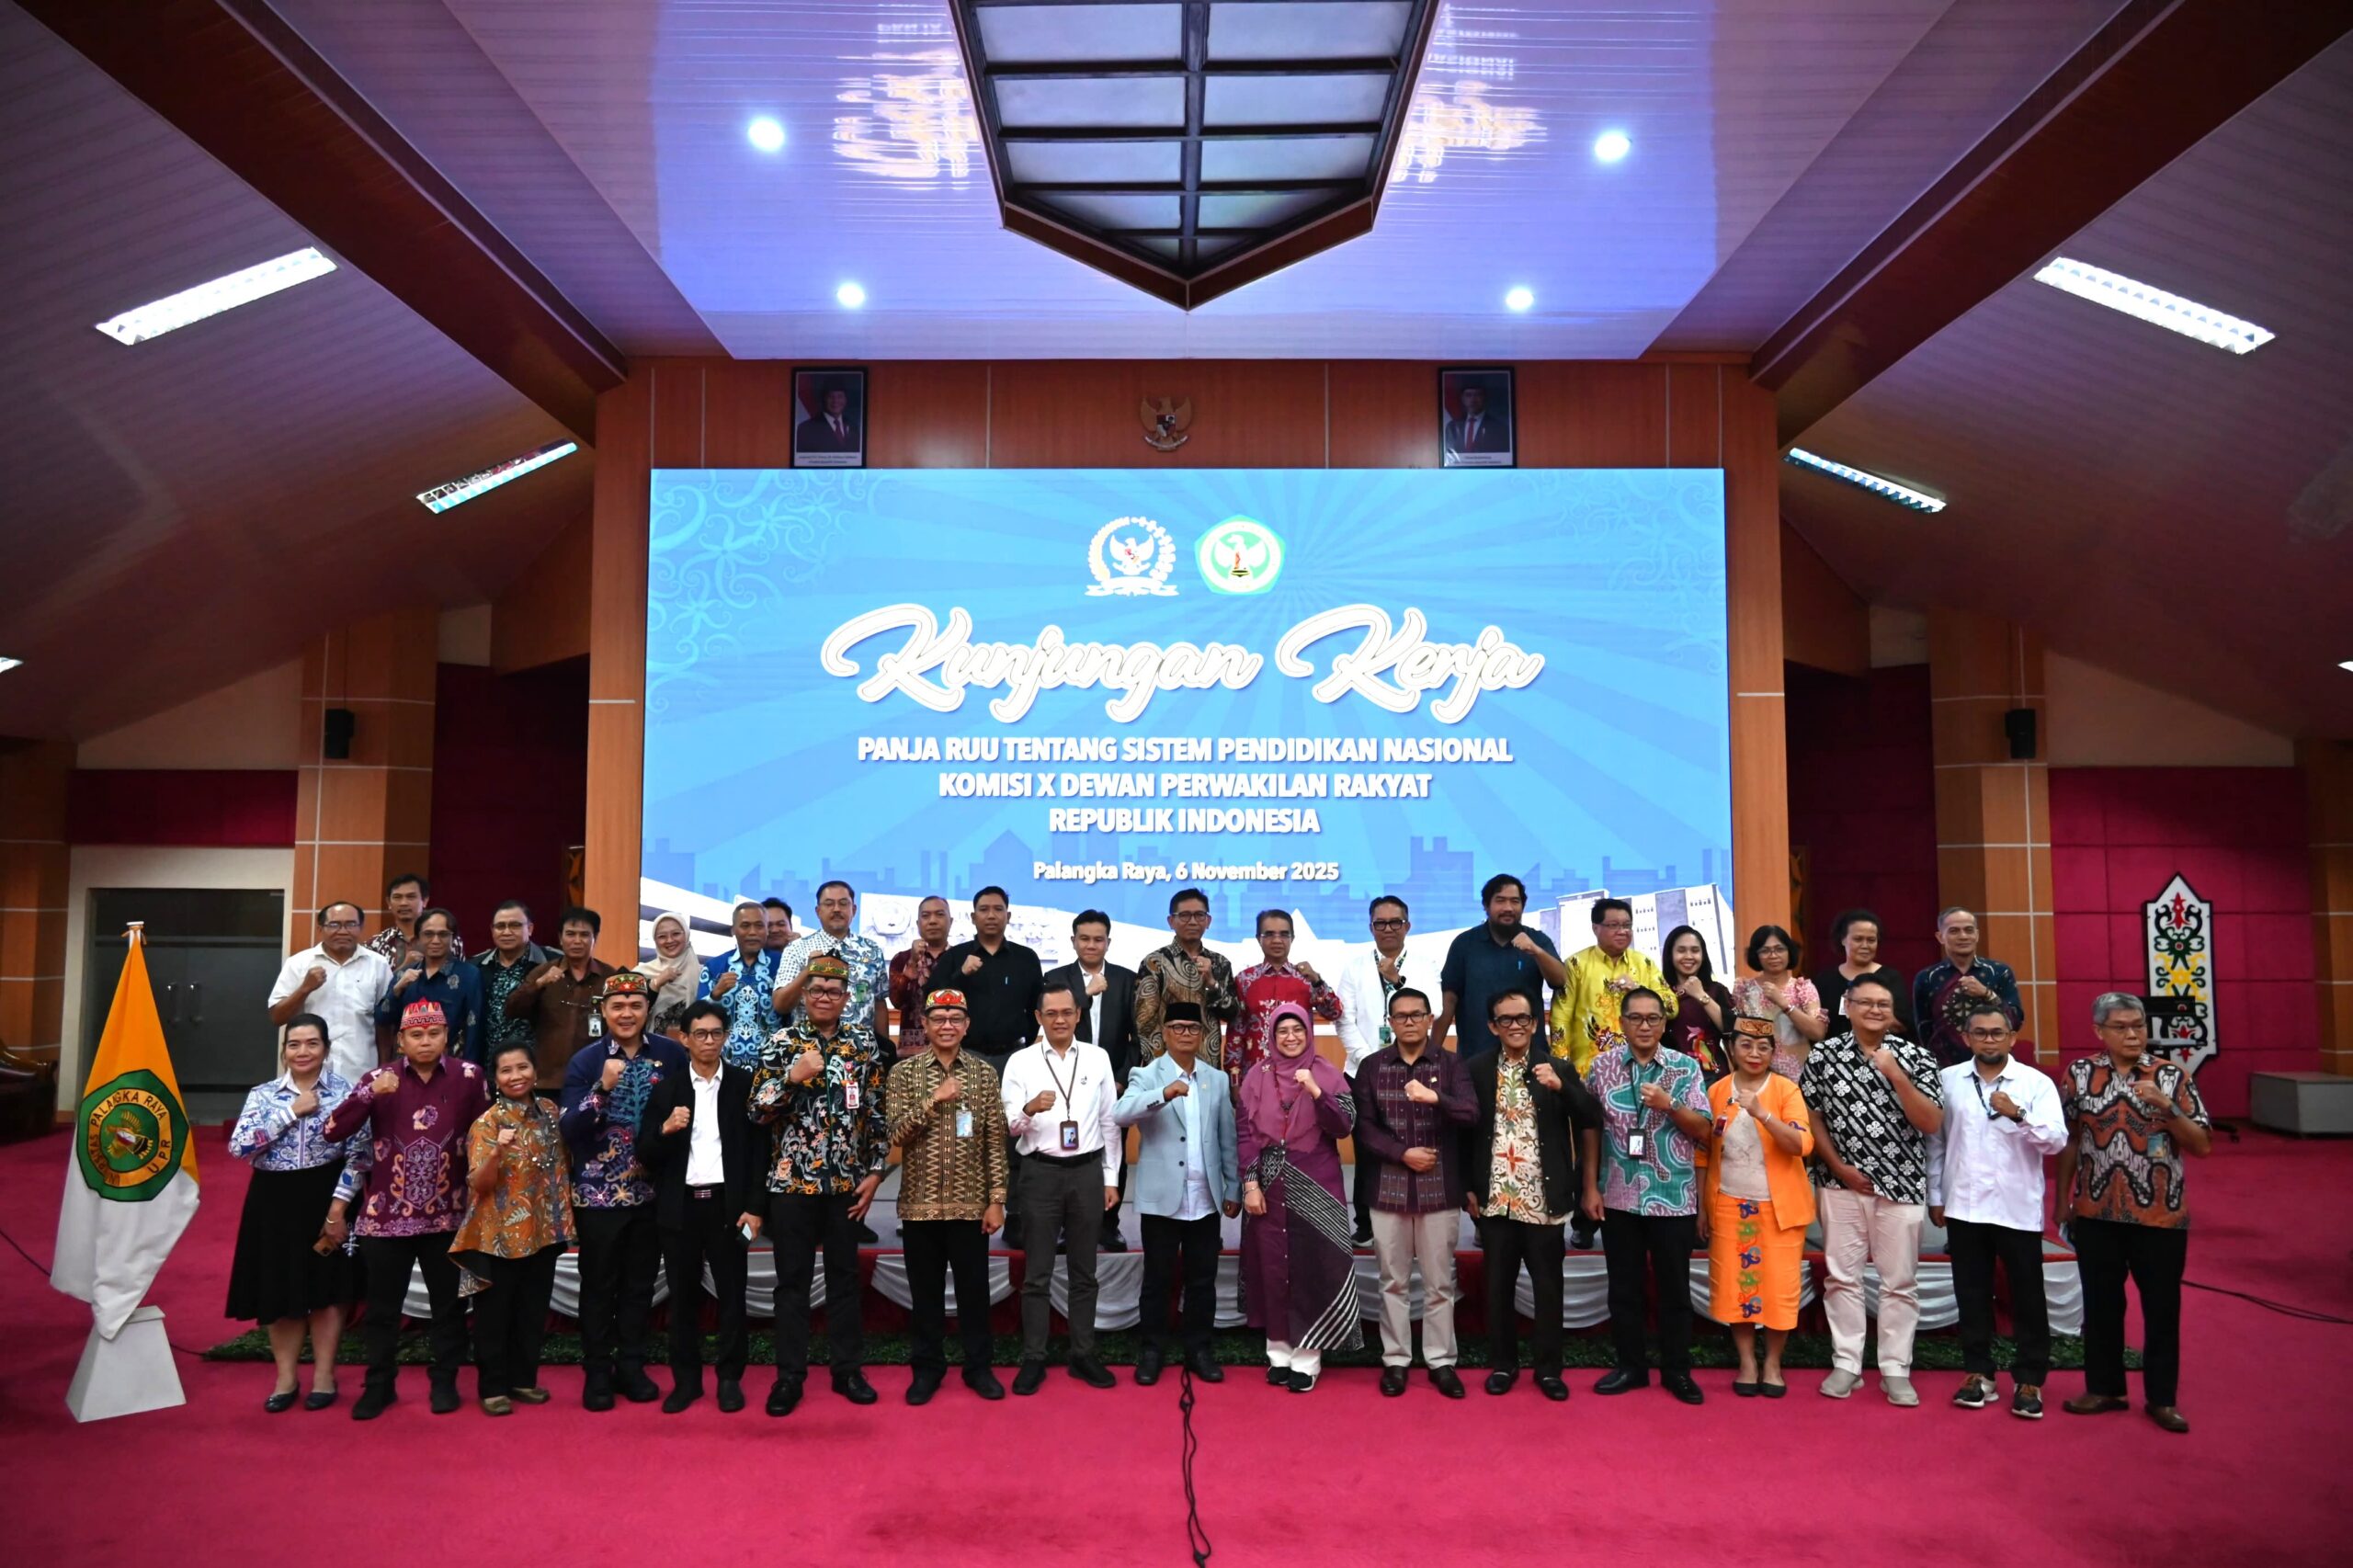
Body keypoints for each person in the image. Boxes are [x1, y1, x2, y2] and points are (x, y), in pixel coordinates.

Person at [323, 998, 490, 1420]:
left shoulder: (470, 1077)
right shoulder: (378, 1079)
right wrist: (365, 1095)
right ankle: (379, 1385)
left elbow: (483, 1135)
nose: (426, 1042)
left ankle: (445, 1381)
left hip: (448, 1213)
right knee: (382, 1308)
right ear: (400, 1039)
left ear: (447, 1037)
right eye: (416, 1034)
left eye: (434, 1033)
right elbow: (332, 1132)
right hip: (385, 1216)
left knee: (448, 1306)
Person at [2053, 992, 2211, 1434]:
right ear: (2099, 1032)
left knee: (2162, 1308)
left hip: (2160, 1217)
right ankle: (2105, 1388)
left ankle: (2162, 1398)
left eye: (2138, 1026)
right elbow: (2070, 1139)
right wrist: (2061, 1200)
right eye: (2121, 1027)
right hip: (2096, 1211)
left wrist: (2169, 1108)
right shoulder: (2080, 1074)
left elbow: (2201, 1144)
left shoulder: (2171, 1076)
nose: (2132, 1034)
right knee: (2101, 1306)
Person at [750, 955, 889, 1415]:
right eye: (816, 990)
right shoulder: (782, 1042)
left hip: (846, 1185)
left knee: (845, 1281)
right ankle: (789, 1376)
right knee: (792, 1283)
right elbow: (756, 1110)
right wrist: (792, 1078)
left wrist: (875, 1173)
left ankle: (847, 1370)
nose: (824, 997)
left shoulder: (863, 1045)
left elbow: (874, 1113)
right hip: (792, 1186)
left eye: (834, 991)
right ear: (804, 996)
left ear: (847, 999)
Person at [1799, 974, 1944, 1405]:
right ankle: (1846, 1364)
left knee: (1899, 1281)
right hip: (1840, 1183)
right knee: (1842, 1277)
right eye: (1866, 1002)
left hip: (1901, 1182)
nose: (1876, 1010)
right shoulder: (1824, 1055)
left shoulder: (1915, 1057)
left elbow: (1931, 1123)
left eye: (1884, 1003)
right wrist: (1838, 1166)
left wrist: (1896, 1075)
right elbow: (1812, 1115)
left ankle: (1896, 1368)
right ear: (1848, 1005)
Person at [1927, 1001, 2067, 1419]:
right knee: (1970, 1294)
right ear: (1966, 1038)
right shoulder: (1948, 1080)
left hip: (2015, 1207)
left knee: (2027, 1295)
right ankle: (1978, 1373)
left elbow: (2056, 1142)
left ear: (2012, 1038)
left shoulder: (2034, 1084)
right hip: (1964, 1205)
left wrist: (2019, 1114)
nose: (1990, 1039)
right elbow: (1936, 1141)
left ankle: (2029, 1379)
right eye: (1981, 1033)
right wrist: (1937, 1195)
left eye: (1998, 1033)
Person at [559, 969, 688, 1410]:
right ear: (604, 1012)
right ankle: (597, 1371)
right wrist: (602, 1088)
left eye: (635, 1005)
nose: (627, 1013)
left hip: (652, 1193)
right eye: (618, 1006)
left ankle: (631, 1366)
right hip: (597, 1196)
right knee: (598, 1285)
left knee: (638, 1286)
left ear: (648, 1009)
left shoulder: (671, 1055)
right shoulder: (586, 1061)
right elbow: (571, 1128)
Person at [1461, 991, 1598, 1400]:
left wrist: (1563, 1088)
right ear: (1492, 1027)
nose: (1516, 1026)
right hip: (1495, 1198)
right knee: (1497, 1287)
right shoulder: (1476, 1069)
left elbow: (1591, 1117)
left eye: (1523, 1018)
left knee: (1548, 1287)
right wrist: (1468, 1186)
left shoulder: (1556, 1067)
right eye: (1506, 1020)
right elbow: (1464, 1133)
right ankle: (1502, 1365)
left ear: (1536, 1023)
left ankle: (1549, 1370)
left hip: (1544, 1198)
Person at [225, 1014, 363, 1412]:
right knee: (278, 1285)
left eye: (312, 1044)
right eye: (294, 1044)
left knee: (328, 1286)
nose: (303, 1052)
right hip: (273, 1198)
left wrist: (339, 1208)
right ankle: (285, 1377)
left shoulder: (345, 1093)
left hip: (328, 1193)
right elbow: (240, 1148)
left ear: (326, 1049)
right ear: (284, 1051)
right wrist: (291, 1113)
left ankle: (324, 1374)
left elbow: (360, 1154)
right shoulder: (264, 1094)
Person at [634, 998, 763, 1415]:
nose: (709, 1041)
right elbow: (646, 1154)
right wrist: (666, 1129)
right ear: (684, 1039)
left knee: (732, 1297)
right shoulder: (668, 1088)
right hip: (681, 1208)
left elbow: (762, 1151)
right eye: (700, 1034)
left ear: (726, 1036)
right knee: (683, 1298)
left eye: (716, 1033)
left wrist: (756, 1208)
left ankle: (729, 1380)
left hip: (731, 1209)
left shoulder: (744, 1084)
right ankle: (686, 1382)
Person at [1585, 987, 1711, 1403]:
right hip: (1619, 1195)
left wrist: (1669, 1104)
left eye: (1652, 1018)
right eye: (1635, 1018)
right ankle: (1631, 1367)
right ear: (1621, 1023)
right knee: (1624, 1288)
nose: (1644, 1025)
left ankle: (1677, 1371)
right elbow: (1590, 1131)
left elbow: (1705, 1130)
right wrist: (1589, 1186)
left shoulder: (1685, 1067)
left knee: (1675, 1289)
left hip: (1672, 1196)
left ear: (1663, 1023)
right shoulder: (1601, 1068)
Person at [887, 987, 1010, 1404]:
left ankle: (979, 1368)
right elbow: (896, 1134)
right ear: (924, 1025)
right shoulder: (904, 1074)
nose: (947, 1026)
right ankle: (927, 1369)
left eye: (955, 1018)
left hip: (971, 1205)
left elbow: (995, 1141)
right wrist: (932, 1101)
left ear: (967, 1025)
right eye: (938, 1018)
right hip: (919, 1206)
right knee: (925, 1294)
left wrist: (997, 1198)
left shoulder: (983, 1074)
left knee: (975, 1292)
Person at [1351, 986, 1475, 1398]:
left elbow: (1471, 1113)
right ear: (1390, 1022)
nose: (1408, 1021)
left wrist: (1436, 1097)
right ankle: (1397, 1360)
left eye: (1416, 1015)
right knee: (1393, 1281)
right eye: (1400, 1015)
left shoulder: (1452, 1065)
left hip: (1440, 1189)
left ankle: (1440, 1361)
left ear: (1430, 1019)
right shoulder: (1371, 1067)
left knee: (1440, 1282)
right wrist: (1402, 1154)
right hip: (1387, 1189)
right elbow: (1363, 1128)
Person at [1001, 979, 1121, 1392]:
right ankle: (1034, 1356)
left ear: (1079, 1014)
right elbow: (1009, 1124)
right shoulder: (1021, 1063)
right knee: (1037, 1272)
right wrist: (1029, 1109)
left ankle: (1082, 1353)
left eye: (1067, 1012)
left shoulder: (1098, 1057)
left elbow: (1109, 1121)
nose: (1059, 1020)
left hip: (1087, 1172)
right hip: (1040, 1172)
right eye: (1050, 1013)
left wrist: (1111, 1177)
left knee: (1084, 1271)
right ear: (1038, 1017)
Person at [1236, 1004, 1363, 1392]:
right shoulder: (1256, 1076)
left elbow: (1343, 1127)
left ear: (1309, 1032)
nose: (1290, 1037)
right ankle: (1278, 1352)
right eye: (1282, 1031)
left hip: (1317, 1180)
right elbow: (1245, 1133)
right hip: (1268, 1181)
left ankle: (1308, 1357)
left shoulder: (1327, 1073)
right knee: (1272, 1267)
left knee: (1313, 1266)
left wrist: (1316, 1091)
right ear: (1271, 1037)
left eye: (1297, 1030)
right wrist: (1250, 1184)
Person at [1114, 1001, 1239, 1386]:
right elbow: (1121, 1113)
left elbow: (1227, 1138)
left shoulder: (1216, 1079)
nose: (1186, 1034)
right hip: (1162, 1199)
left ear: (1202, 1035)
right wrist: (1163, 1094)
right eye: (1179, 1027)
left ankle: (1199, 1349)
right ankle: (1152, 1350)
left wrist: (1232, 1184)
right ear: (1165, 1034)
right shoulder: (1147, 1074)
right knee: (1157, 1278)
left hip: (1205, 1198)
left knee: (1203, 1279)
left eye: (1193, 1028)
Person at [449, 1041, 574, 1415]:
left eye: (522, 1068)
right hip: (498, 1236)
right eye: (506, 1070)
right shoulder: (487, 1124)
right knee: (494, 1315)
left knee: (532, 1310)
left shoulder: (550, 1112)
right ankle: (492, 1387)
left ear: (535, 1072)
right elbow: (479, 1184)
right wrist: (496, 1153)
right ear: (496, 1079)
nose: (516, 1076)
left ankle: (523, 1379)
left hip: (544, 1230)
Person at [1695, 1018, 1813, 1398]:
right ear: (1732, 1049)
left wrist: (1762, 1113)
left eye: (1763, 1047)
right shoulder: (1715, 1091)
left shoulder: (1785, 1090)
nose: (1755, 1054)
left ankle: (1773, 1363)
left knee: (1779, 1288)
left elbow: (1801, 1145)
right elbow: (1703, 1153)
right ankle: (1747, 1361)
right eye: (1746, 1045)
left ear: (1773, 1052)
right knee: (1735, 1287)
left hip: (1778, 1206)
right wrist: (1702, 1208)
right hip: (1729, 1202)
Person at [933, 886, 1045, 1244]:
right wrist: (960, 977)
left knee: (1015, 1134)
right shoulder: (955, 957)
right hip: (969, 1060)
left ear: (1009, 916)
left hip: (1014, 1059)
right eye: (984, 909)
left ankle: (1015, 1215)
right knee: (966, 1133)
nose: (992, 915)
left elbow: (1035, 1011)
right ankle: (968, 1211)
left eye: (999, 909)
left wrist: (1027, 1051)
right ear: (973, 916)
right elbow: (932, 1002)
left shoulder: (1026, 958)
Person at [1044, 909, 1139, 1250]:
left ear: (1108, 942)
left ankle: (1108, 1226)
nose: (1091, 945)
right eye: (1084, 938)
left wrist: (1121, 1078)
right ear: (1073, 941)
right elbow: (1053, 1025)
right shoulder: (1057, 979)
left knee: (1114, 1153)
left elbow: (1138, 1037)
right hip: (1068, 1085)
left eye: (1098, 939)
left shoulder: (1127, 980)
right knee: (1071, 1155)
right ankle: (1069, 1228)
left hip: (1113, 1085)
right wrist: (1087, 993)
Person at [1334, 895, 1414, 1244]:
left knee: (1409, 1144)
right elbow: (1343, 1019)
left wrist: (1398, 980)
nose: (1388, 929)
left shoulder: (1425, 964)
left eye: (1395, 922)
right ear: (1370, 928)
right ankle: (1364, 1223)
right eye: (1380, 923)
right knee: (1366, 1149)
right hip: (1361, 1071)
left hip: (1413, 1072)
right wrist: (1371, 1062)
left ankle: (1410, 1218)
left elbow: (1432, 1010)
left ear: (1407, 926)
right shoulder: (1353, 966)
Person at [1437, 874, 1563, 1063]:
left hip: (1531, 1059)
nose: (1508, 908)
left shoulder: (1537, 940)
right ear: (1486, 906)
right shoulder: (1464, 944)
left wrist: (1536, 951)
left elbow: (1560, 980)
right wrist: (1433, 1053)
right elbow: (1448, 1001)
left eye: (1515, 901)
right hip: (1475, 1058)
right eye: (1500, 901)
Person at [1550, 897, 1677, 1075]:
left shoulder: (1644, 963)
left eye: (1627, 925)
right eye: (1613, 925)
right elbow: (1560, 1018)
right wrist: (1561, 1069)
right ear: (1595, 928)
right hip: (1589, 1072)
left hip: (1641, 1071)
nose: (1622, 931)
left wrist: (1639, 991)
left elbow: (1672, 1007)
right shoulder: (1576, 964)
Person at [267, 902, 392, 1085]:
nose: (343, 931)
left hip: (361, 1072)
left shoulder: (378, 964)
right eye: (334, 924)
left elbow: (385, 1023)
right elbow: (277, 1017)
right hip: (309, 1075)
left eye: (351, 924)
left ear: (361, 927)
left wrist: (384, 1067)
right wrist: (304, 989)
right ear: (320, 928)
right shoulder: (298, 963)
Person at [1231, 909, 1343, 1094]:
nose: (1277, 940)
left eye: (1284, 934)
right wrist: (1234, 1082)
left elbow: (1334, 1012)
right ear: (1258, 938)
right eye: (1269, 934)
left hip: (1300, 1077)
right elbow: (1236, 1034)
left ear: (1293, 938)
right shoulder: (1245, 980)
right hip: (1256, 1077)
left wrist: (1317, 981)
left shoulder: (1306, 979)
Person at [1134, 886, 1245, 1070]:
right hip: (1165, 1068)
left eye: (1199, 915)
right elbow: (1144, 1022)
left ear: (1208, 921)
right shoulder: (1155, 962)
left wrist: (1212, 984)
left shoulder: (1220, 963)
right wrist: (1161, 1066)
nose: (1193, 921)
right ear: (1171, 921)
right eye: (1185, 915)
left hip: (1208, 1066)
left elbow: (1233, 1013)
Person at [507, 905, 612, 1089]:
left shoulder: (609, 977)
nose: (577, 941)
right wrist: (539, 984)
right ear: (560, 938)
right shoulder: (542, 972)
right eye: (570, 934)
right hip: (547, 1080)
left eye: (584, 935)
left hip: (593, 1080)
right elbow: (511, 1009)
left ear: (595, 938)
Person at [774, 880, 888, 1039]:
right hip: (808, 1050)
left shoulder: (872, 950)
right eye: (829, 904)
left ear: (853, 910)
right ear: (818, 911)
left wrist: (885, 1049)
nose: (836, 909)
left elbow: (879, 1003)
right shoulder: (797, 949)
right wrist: (809, 970)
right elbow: (780, 1004)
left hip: (862, 1052)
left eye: (843, 904)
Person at [1912, 907, 2023, 1068]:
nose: (1963, 936)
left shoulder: (1999, 972)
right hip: (1944, 1068)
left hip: (1995, 1064)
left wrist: (1987, 994)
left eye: (1968, 930)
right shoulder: (1927, 978)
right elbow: (1922, 1029)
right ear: (1940, 937)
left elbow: (2015, 1021)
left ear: (1977, 935)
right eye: (1954, 931)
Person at [376, 906, 483, 1064]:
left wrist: (469, 1070)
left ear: (453, 938)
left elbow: (474, 1027)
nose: (435, 940)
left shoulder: (469, 975)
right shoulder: (403, 974)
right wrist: (397, 990)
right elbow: (382, 1018)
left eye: (443, 934)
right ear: (418, 938)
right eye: (428, 934)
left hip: (451, 1066)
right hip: (408, 1066)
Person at [1732, 925, 1828, 1081]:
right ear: (1756, 955)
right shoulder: (1744, 989)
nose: (1773, 955)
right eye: (1765, 950)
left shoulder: (1802, 987)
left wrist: (1785, 1004)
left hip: (1798, 1076)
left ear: (1789, 952)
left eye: (1779, 949)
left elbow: (1818, 1033)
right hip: (1757, 1074)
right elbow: (1738, 1033)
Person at [472, 901, 552, 1064]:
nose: (506, 932)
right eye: (500, 926)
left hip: (538, 1066)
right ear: (492, 930)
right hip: (488, 1064)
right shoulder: (477, 966)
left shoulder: (551, 962)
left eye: (515, 925)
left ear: (529, 929)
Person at [705, 899, 781, 1070]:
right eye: (745, 926)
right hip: (724, 1065)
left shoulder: (782, 965)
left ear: (767, 929)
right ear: (733, 930)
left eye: (759, 926)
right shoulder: (714, 967)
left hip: (772, 1066)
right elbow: (697, 1016)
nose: (752, 932)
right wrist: (715, 994)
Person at [1815, 907, 1914, 1038]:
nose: (1865, 945)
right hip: (1835, 1054)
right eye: (1858, 939)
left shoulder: (1891, 978)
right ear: (1843, 939)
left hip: (1882, 1053)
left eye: (1871, 940)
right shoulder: (1825, 980)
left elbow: (1901, 1025)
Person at [1661, 924, 1735, 1081]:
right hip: (1672, 1076)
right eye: (1681, 950)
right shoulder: (1661, 992)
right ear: (1670, 955)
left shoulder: (1716, 990)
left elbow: (1733, 1029)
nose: (1689, 956)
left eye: (1695, 950)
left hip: (1713, 1076)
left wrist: (1701, 995)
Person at [887, 894, 954, 1057]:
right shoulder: (902, 958)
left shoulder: (960, 958)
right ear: (918, 924)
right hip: (910, 1056)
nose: (932, 921)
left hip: (952, 1051)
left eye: (939, 914)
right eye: (926, 916)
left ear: (950, 921)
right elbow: (896, 1001)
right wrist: (911, 964)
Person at [364, 870, 457, 969]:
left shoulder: (447, 937)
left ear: (425, 901)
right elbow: (374, 983)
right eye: (397, 897)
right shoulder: (375, 944)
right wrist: (405, 967)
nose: (404, 903)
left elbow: (460, 977)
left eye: (411, 897)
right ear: (389, 902)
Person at [639, 911, 705, 1040]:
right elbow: (634, 1013)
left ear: (686, 935)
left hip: (695, 1051)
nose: (669, 940)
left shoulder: (703, 974)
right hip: (653, 1050)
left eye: (676, 934)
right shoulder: (641, 973)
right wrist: (656, 983)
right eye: (662, 936)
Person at [1442, 381, 1508, 455]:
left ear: (1485, 398)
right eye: (1468, 395)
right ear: (1462, 399)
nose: (1473, 400)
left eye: (1478, 395)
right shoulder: (1452, 427)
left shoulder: (1499, 428)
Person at [797, 383, 859, 453]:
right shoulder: (806, 428)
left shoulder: (853, 426)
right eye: (830, 396)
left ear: (845, 400)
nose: (835, 401)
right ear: (823, 399)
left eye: (840, 396)